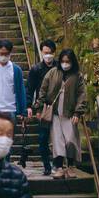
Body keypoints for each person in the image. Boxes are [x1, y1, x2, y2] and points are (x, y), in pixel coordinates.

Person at [35, 47, 88, 179]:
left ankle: (70, 166)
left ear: (72, 62)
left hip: (70, 113)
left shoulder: (77, 76)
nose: (65, 63)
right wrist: (39, 107)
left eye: (68, 61)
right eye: (63, 61)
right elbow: (43, 90)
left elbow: (82, 95)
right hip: (55, 113)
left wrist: (77, 112)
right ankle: (59, 167)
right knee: (57, 141)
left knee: (70, 140)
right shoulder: (53, 72)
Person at [26, 39, 58, 177]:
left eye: (50, 53)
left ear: (54, 53)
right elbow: (30, 89)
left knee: (58, 138)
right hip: (43, 107)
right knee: (43, 137)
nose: (48, 55)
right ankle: (46, 165)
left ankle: (58, 165)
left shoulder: (60, 67)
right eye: (45, 53)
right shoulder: (36, 69)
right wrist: (29, 106)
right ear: (41, 52)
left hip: (58, 107)